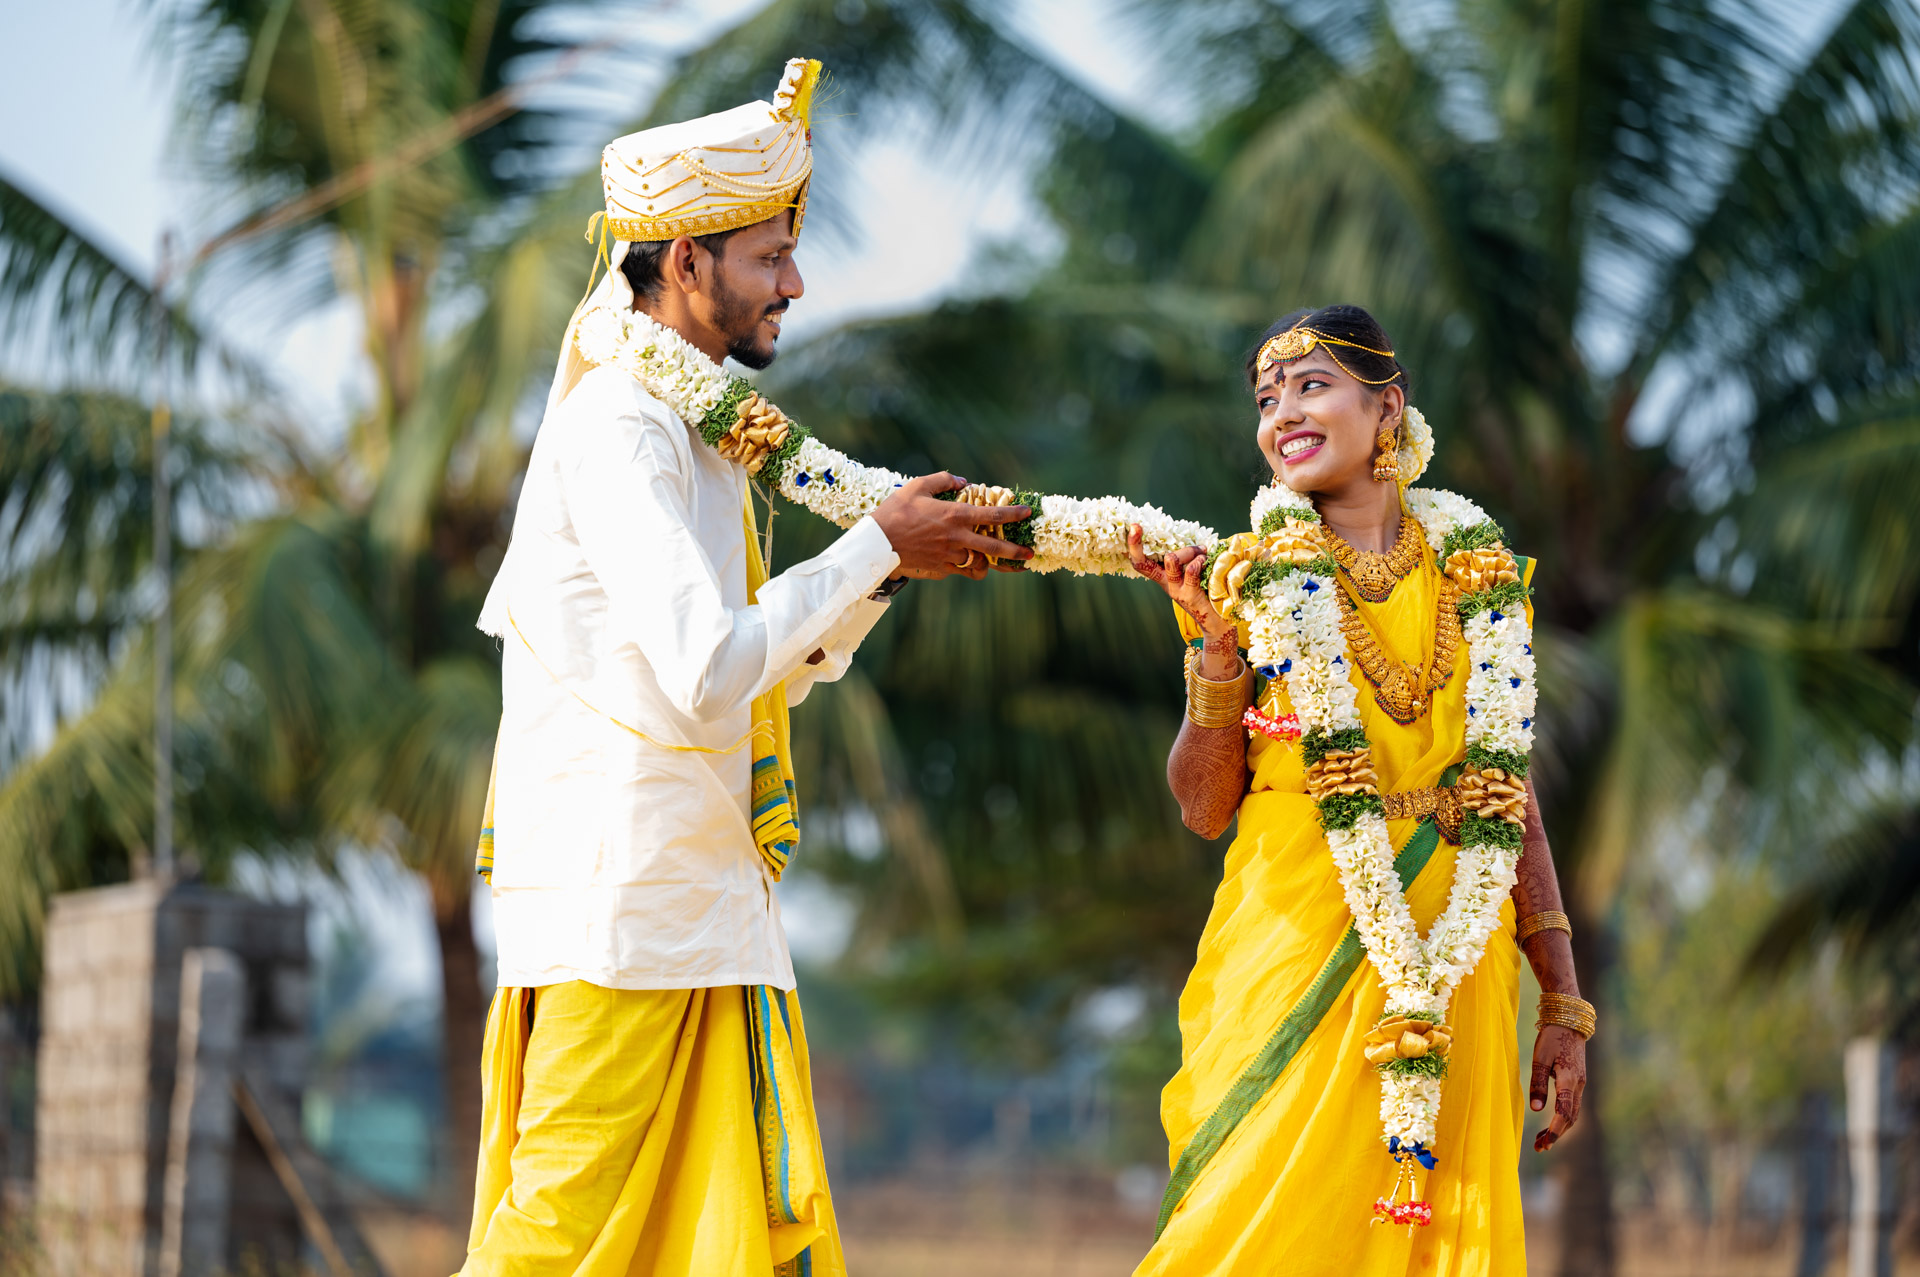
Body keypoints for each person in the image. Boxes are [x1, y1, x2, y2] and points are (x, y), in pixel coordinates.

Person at [460, 57, 1030, 1276]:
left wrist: (885, 568)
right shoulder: (621, 425)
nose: (796, 281)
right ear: (685, 264)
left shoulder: (695, 424)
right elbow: (707, 665)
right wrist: (878, 540)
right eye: (771, 255)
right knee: (551, 1246)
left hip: (693, 903)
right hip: (627, 912)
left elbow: (766, 659)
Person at [1124, 305, 1591, 1276]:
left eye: (1310, 385)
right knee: (1246, 1227)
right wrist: (1215, 651)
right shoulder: (1249, 578)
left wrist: (1564, 1001)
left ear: (1389, 408)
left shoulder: (1482, 577)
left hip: (1459, 968)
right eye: (1265, 396)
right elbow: (1204, 804)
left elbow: (1513, 798)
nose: (1281, 411)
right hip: (1295, 944)